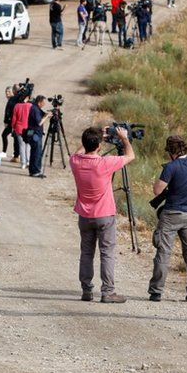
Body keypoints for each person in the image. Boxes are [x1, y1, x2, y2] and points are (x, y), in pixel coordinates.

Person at [69, 126, 136, 303]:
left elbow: (80, 151)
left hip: (84, 215)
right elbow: (130, 156)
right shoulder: (105, 163)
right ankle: (107, 292)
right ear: (99, 145)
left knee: (86, 253)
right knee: (106, 253)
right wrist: (124, 138)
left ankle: (86, 290)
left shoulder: (75, 161)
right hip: (104, 214)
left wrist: (97, 137)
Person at [148, 136, 187, 303]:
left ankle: (156, 291)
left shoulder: (171, 167)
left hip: (171, 215)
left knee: (164, 253)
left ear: (171, 152)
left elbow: (157, 191)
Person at [26, 95, 51, 178]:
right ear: (39, 102)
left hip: (33, 133)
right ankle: (35, 171)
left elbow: (42, 115)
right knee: (36, 152)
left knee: (35, 152)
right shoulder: (35, 109)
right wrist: (47, 116)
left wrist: (48, 114)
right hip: (34, 134)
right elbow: (39, 122)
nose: (44, 104)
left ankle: (34, 170)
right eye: (43, 103)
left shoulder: (36, 108)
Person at [11, 92, 33, 170]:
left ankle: (23, 163)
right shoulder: (31, 106)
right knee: (29, 145)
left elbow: (14, 119)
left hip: (19, 128)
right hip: (29, 129)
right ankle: (28, 161)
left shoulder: (16, 106)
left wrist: (13, 127)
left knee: (21, 145)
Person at [1, 86, 19, 161]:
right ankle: (14, 153)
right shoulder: (11, 100)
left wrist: (6, 121)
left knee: (10, 136)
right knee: (6, 135)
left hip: (13, 122)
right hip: (11, 122)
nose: (7, 93)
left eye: (9, 92)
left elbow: (9, 112)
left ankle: (12, 153)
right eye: (6, 92)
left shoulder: (13, 100)